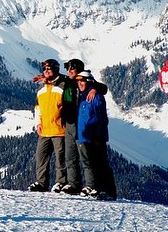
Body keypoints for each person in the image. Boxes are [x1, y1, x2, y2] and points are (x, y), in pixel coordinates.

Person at [60, 58, 107, 194]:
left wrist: (95, 88)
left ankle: (91, 185)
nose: (69, 71)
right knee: (70, 157)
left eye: (72, 68)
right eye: (67, 68)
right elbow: (57, 78)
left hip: (81, 125)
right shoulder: (68, 81)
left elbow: (103, 88)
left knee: (85, 157)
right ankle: (73, 184)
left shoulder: (84, 82)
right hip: (69, 124)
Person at [75, 70, 117, 200]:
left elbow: (101, 117)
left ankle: (108, 191)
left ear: (89, 82)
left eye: (82, 81)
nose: (79, 83)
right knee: (89, 163)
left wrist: (99, 136)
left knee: (101, 163)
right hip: (83, 136)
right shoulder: (82, 96)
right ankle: (94, 187)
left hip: (95, 137)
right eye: (78, 81)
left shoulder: (96, 97)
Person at [28, 61, 66, 193]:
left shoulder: (62, 85)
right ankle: (41, 183)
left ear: (56, 69)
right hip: (44, 130)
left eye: (49, 68)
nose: (46, 70)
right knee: (41, 158)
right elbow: (37, 108)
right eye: (44, 68)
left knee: (61, 159)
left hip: (60, 129)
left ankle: (61, 182)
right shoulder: (41, 90)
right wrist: (38, 123)